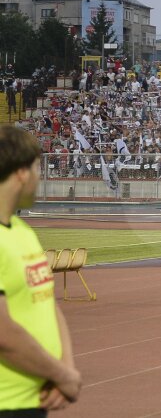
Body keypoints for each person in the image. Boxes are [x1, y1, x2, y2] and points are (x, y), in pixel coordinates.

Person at [0, 126, 83, 414]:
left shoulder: (22, 231)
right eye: (37, 168)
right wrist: (63, 376)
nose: (39, 178)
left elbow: (47, 303)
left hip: (34, 399)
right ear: (21, 173)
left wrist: (64, 368)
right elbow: (2, 332)